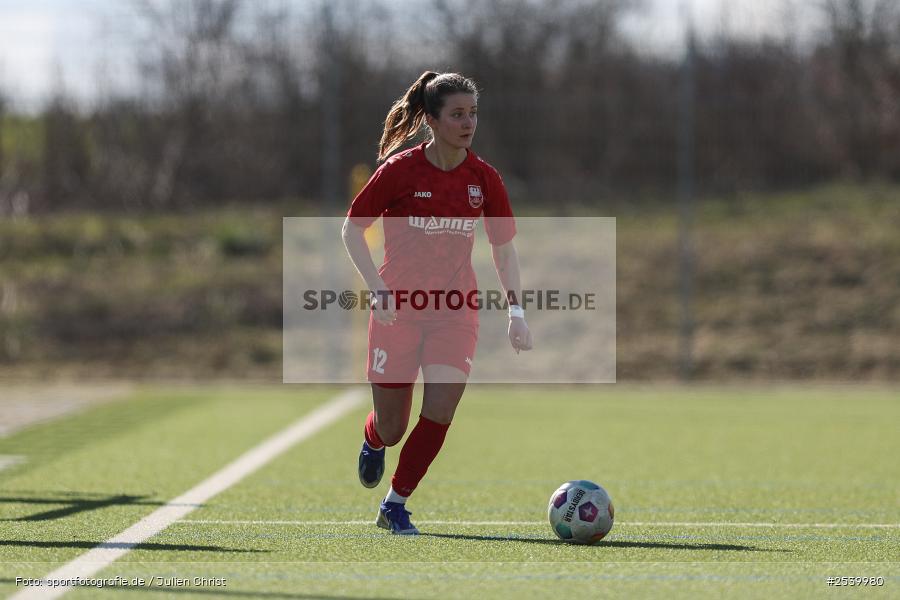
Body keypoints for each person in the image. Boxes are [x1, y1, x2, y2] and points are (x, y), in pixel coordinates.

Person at [341, 71, 532, 535]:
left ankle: (395, 504)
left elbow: (503, 249)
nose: (468, 123)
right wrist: (376, 287)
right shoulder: (400, 171)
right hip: (397, 313)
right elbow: (351, 229)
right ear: (432, 120)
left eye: (473, 114)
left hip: (455, 314)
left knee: (441, 410)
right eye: (457, 114)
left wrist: (517, 311)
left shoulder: (483, 179)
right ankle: (373, 439)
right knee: (392, 428)